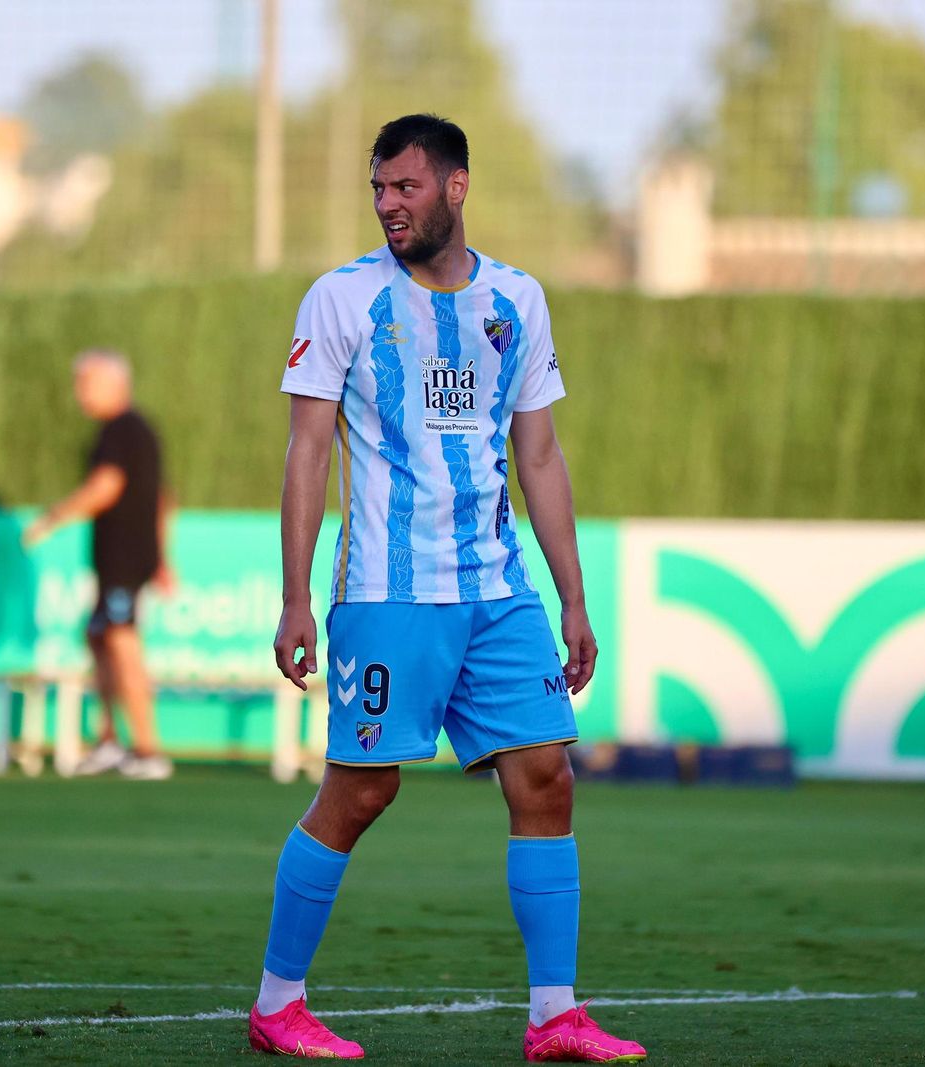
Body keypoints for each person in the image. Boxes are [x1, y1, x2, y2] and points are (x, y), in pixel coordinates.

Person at [248, 115, 645, 1063]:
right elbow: (307, 452)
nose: (388, 204)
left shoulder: (518, 299)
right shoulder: (342, 298)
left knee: (546, 777)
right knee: (362, 789)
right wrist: (296, 596)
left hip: (499, 591)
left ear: (456, 188)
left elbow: (539, 454)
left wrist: (573, 598)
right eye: (378, 188)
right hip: (388, 591)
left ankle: (555, 1015)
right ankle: (277, 1004)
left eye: (406, 188)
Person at [25, 351, 175, 781]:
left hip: (124, 561)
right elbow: (163, 497)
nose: (79, 392)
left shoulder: (122, 429)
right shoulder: (135, 430)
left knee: (123, 644)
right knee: (97, 636)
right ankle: (109, 740)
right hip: (122, 561)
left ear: (114, 385)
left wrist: (53, 518)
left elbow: (106, 487)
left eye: (86, 382)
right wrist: (163, 558)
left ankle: (149, 750)